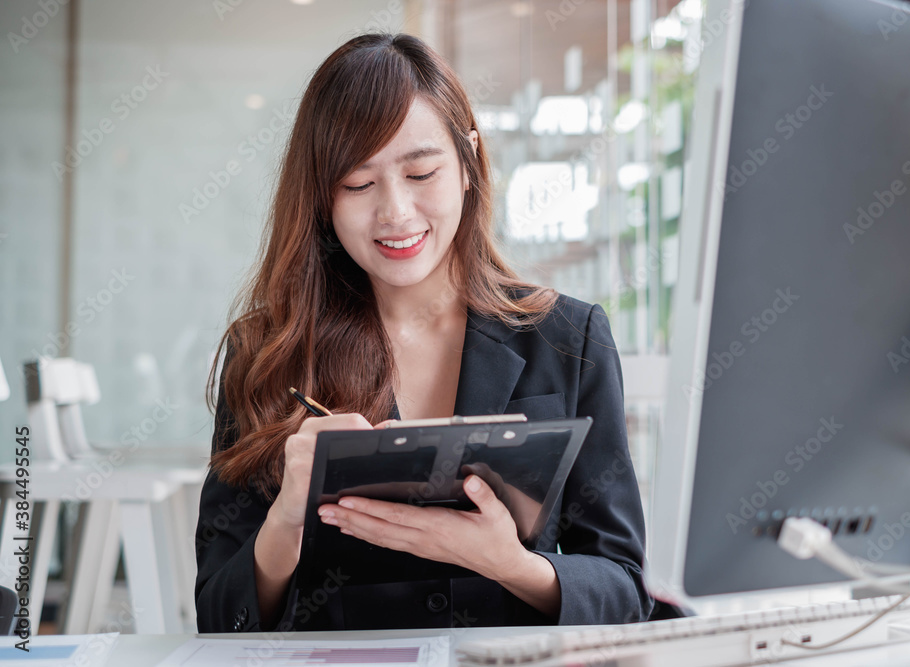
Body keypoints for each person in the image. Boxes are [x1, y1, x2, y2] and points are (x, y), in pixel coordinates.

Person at [194, 31, 654, 633]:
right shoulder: (267, 353)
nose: (395, 213)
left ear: (467, 162)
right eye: (358, 185)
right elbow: (217, 613)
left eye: (422, 172)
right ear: (321, 199)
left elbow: (624, 594)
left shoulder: (567, 336)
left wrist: (511, 564)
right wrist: (285, 520)